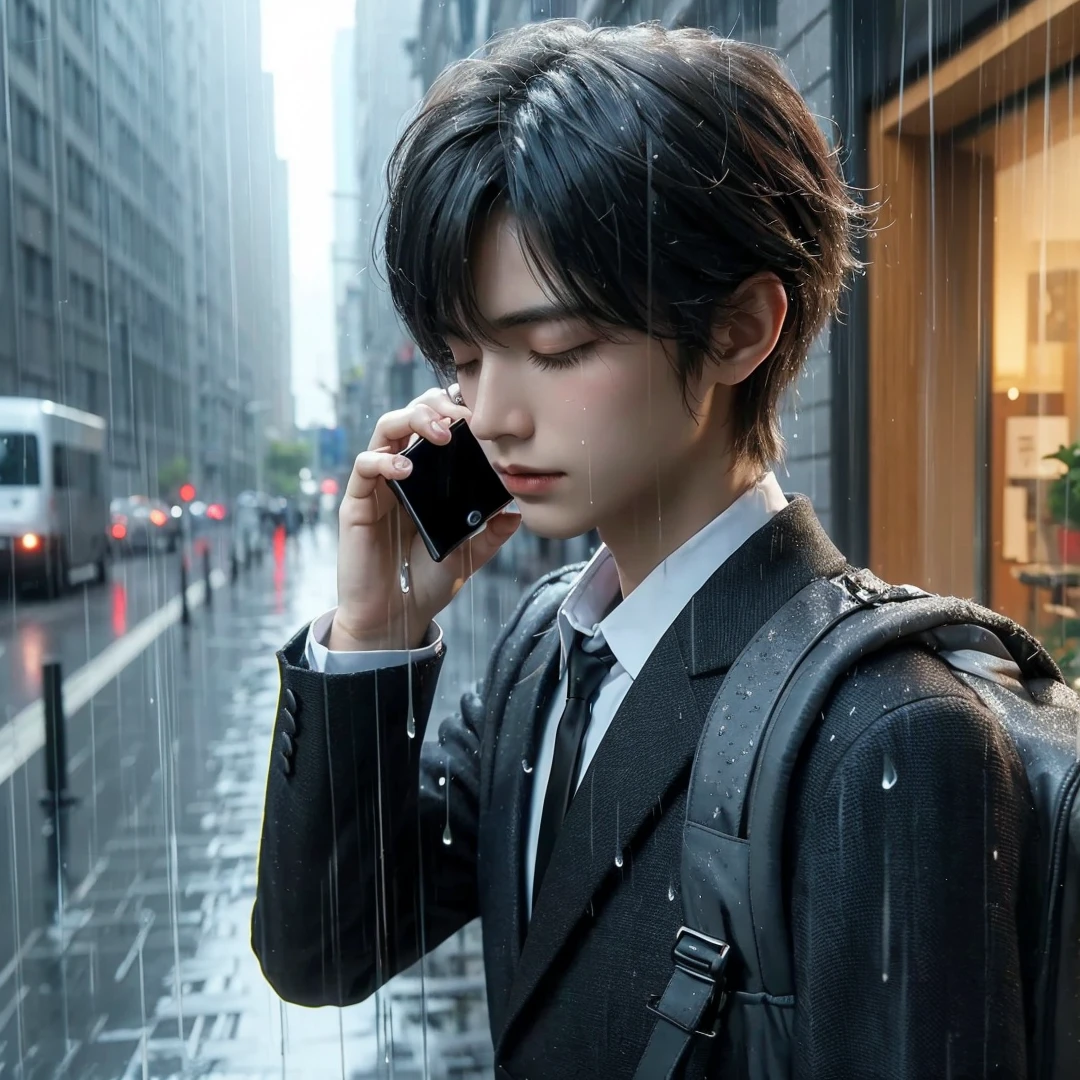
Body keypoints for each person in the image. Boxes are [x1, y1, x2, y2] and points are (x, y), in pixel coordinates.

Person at [252, 19, 1031, 1079]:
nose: (491, 413)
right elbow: (326, 950)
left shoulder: (888, 733)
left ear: (739, 330)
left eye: (559, 348)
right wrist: (376, 632)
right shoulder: (542, 651)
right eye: (463, 356)